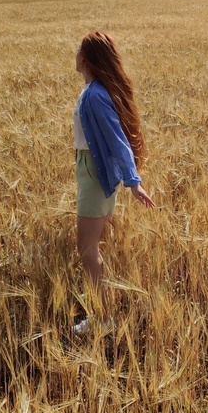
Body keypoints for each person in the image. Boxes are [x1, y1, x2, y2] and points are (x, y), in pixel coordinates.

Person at [72, 31, 155, 335]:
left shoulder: (95, 96)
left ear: (87, 59)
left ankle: (104, 318)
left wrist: (134, 181)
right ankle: (105, 311)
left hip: (94, 175)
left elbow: (117, 139)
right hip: (92, 172)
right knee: (94, 245)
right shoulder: (93, 91)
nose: (75, 52)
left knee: (86, 247)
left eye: (79, 49)